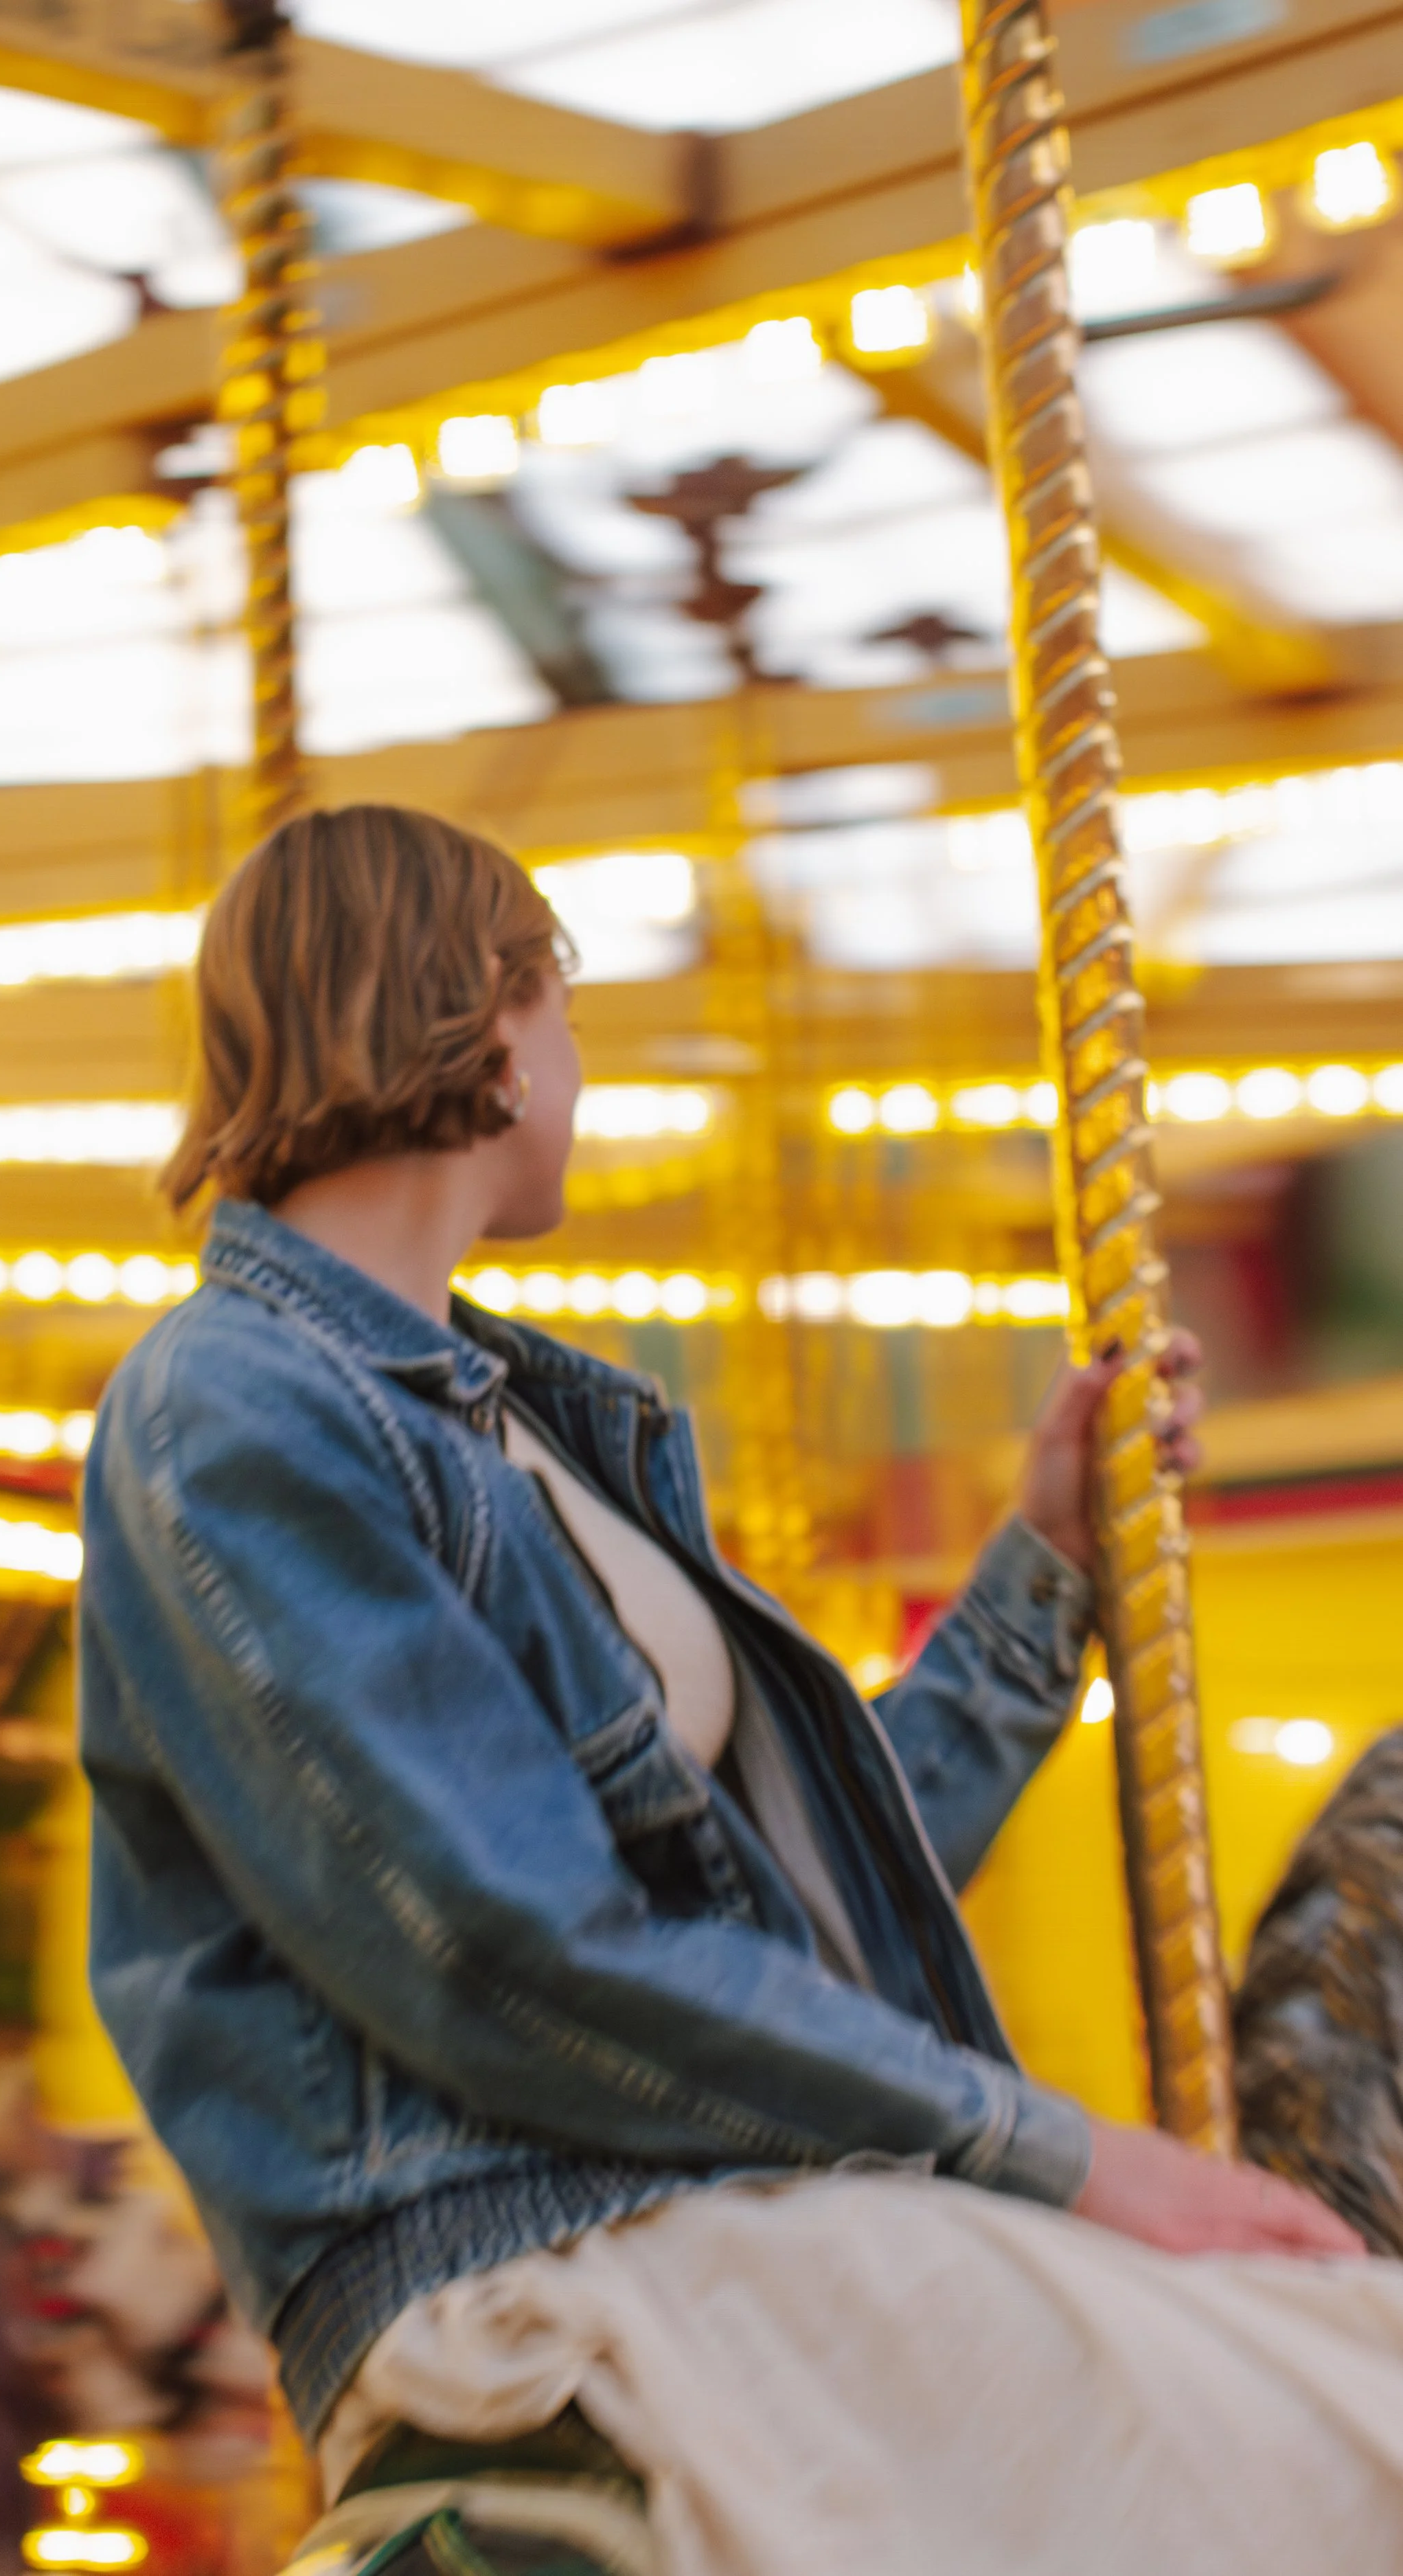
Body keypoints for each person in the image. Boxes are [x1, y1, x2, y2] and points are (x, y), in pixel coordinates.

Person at [80, 804, 1403, 2576]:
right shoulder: (233, 1406)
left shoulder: (519, 1418)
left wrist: (1045, 1578)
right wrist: (1074, 2154)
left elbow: (775, 1913)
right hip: (525, 2252)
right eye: (566, 1015)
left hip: (699, 2205)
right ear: (484, 1016)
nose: (578, 1069)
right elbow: (501, 1946)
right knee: (1337, 2417)